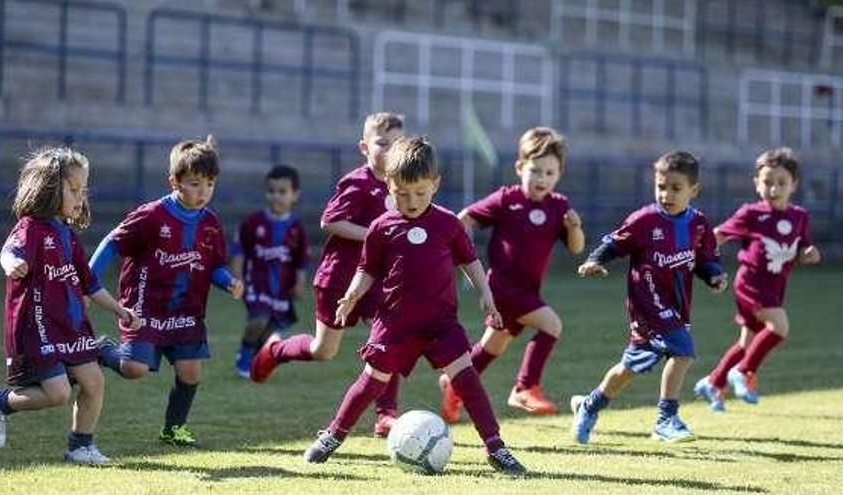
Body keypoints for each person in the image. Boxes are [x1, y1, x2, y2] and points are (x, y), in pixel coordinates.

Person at [302, 136, 527, 475]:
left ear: (435, 185)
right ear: (389, 185)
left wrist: (486, 292)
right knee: (372, 380)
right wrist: (352, 295)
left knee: (466, 378)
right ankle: (334, 435)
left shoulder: (448, 223)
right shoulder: (381, 227)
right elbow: (367, 269)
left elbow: (470, 261)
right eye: (402, 193)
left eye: (420, 193)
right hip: (394, 323)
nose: (411, 201)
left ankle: (495, 446)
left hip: (440, 323)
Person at [0, 147, 139, 463]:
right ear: (50, 188)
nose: (81, 198)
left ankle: (80, 446)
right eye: (73, 189)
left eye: (83, 190)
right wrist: (11, 264)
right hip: (37, 327)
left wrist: (119, 309)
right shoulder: (31, 228)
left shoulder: (69, 236)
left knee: (94, 382)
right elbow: (8, 252)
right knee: (58, 394)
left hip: (70, 325)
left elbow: (90, 285)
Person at [249, 112, 404, 437]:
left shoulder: (401, 186)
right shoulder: (357, 182)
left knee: (388, 341)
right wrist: (374, 235)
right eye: (382, 143)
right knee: (324, 350)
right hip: (339, 279)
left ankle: (386, 414)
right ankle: (276, 350)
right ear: (364, 147)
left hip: (377, 282)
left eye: (396, 144)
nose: (390, 150)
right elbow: (330, 221)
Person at [90, 136, 243, 447]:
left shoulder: (211, 223)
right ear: (174, 181)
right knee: (134, 369)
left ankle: (173, 429)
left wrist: (228, 281)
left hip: (186, 311)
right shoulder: (151, 215)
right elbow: (111, 243)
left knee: (190, 372)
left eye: (210, 184)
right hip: (145, 306)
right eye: (195, 184)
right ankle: (100, 349)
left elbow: (213, 265)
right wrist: (88, 282)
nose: (204, 192)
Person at [571, 151, 728, 444]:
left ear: (694, 190)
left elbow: (705, 258)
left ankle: (589, 404)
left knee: (629, 368)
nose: (666, 194)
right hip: (647, 304)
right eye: (661, 187)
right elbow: (615, 243)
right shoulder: (645, 220)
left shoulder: (700, 225)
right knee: (683, 351)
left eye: (676, 188)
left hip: (677, 306)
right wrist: (596, 260)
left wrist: (714, 276)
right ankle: (665, 419)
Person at [439, 127, 584, 422]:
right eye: (535, 170)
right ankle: (525, 387)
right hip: (503, 287)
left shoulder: (559, 206)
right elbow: (466, 217)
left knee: (494, 344)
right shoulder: (507, 199)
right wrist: (448, 241)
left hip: (529, 291)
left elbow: (575, 248)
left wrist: (575, 228)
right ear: (520, 168)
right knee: (551, 325)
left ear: (559, 174)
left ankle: (456, 383)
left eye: (549, 172)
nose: (542, 178)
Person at [694, 148, 821, 411]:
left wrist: (809, 254)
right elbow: (718, 234)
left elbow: (803, 249)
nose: (774, 189)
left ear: (794, 185)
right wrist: (700, 256)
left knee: (746, 343)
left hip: (775, 286)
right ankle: (743, 372)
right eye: (767, 182)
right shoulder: (751, 213)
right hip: (751, 283)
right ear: (756, 183)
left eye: (781, 183)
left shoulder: (800, 216)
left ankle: (713, 382)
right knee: (780, 327)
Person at [232, 164, 309, 378]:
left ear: (295, 195)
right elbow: (239, 251)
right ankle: (244, 355)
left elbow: (301, 261)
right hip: (256, 282)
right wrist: (237, 278)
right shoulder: (253, 222)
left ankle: (257, 358)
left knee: (270, 330)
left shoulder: (297, 229)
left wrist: (300, 284)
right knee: (258, 320)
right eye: (271, 191)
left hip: (281, 288)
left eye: (282, 192)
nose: (276, 196)